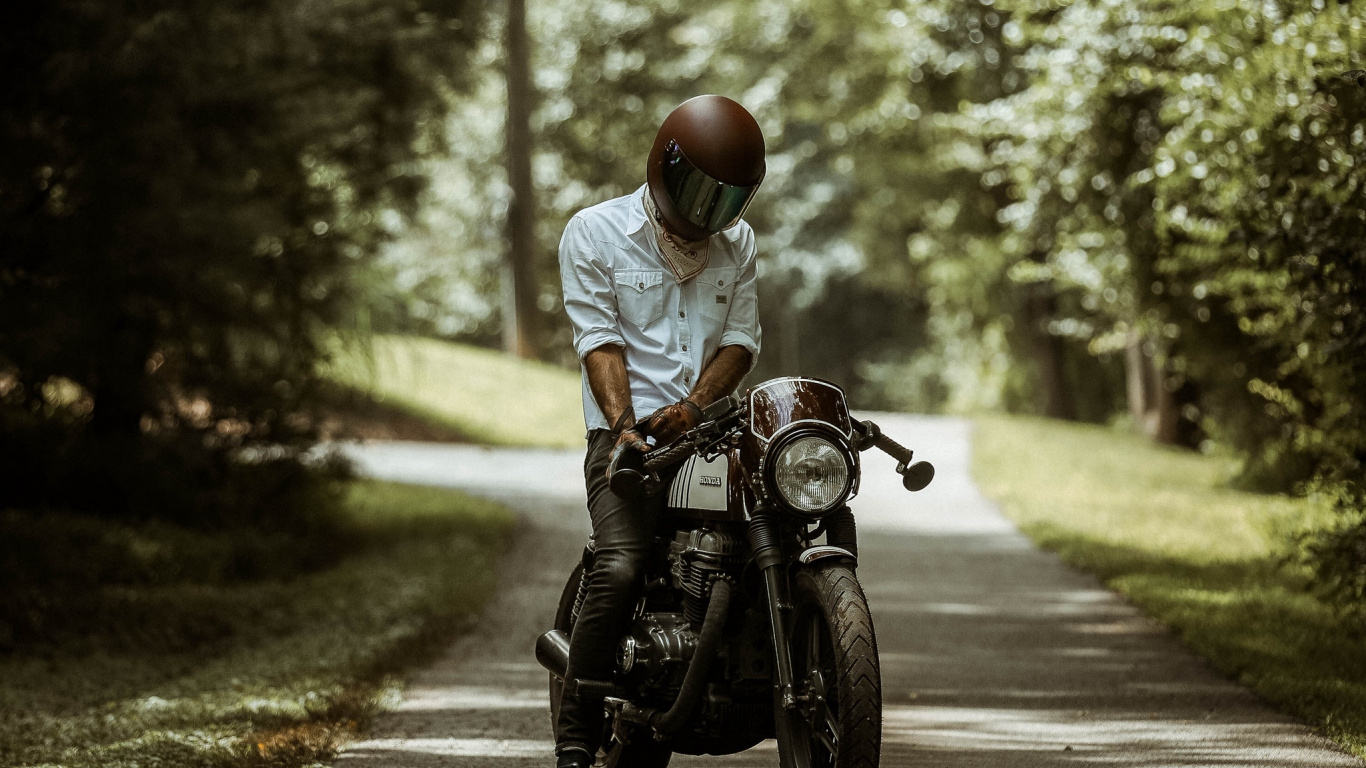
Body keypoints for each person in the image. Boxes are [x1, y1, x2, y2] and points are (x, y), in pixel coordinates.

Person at [553, 94, 765, 767]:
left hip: (708, 433)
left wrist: (696, 409)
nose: (709, 213)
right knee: (619, 564)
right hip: (628, 439)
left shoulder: (740, 244)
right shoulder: (593, 232)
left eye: (726, 199)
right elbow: (600, 341)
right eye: (700, 193)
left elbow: (739, 341)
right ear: (663, 168)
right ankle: (575, 739)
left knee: (776, 528)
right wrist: (625, 428)